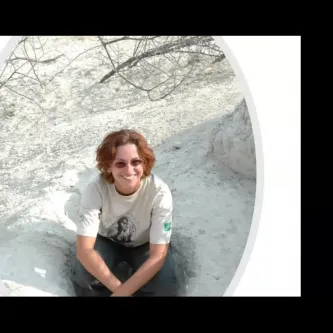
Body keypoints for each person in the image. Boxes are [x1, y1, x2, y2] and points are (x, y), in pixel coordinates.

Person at [70, 128, 179, 297]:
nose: (129, 171)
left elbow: (158, 255)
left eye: (136, 162)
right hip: (107, 241)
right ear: (108, 166)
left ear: (144, 162)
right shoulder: (95, 189)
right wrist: (119, 290)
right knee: (84, 274)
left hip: (145, 244)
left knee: (166, 283)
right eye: (120, 163)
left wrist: (124, 292)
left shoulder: (159, 192)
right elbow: (84, 250)